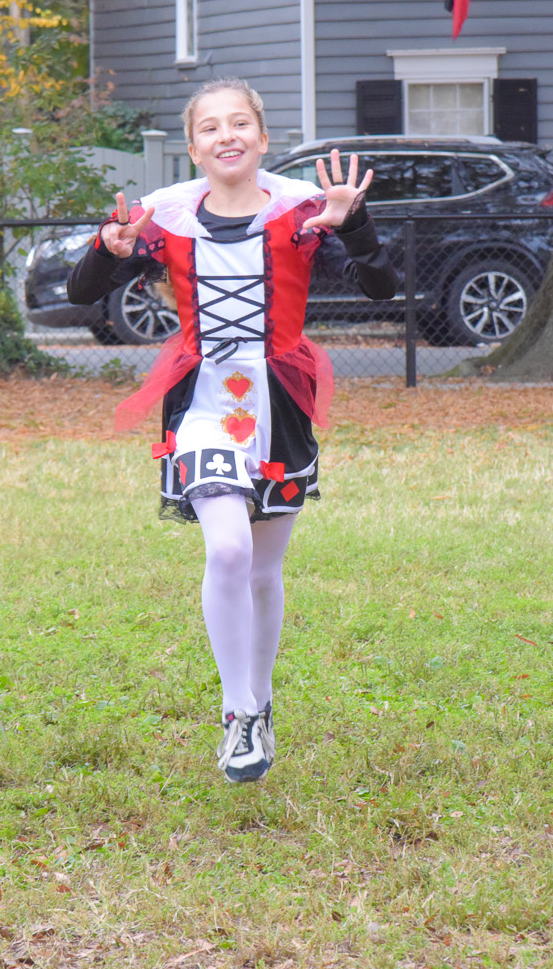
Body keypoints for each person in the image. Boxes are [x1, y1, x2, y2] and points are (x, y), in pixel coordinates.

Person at [66, 79, 399, 783]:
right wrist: (107, 243)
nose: (227, 135)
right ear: (193, 146)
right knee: (227, 549)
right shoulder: (165, 215)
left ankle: (263, 698)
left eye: (240, 122)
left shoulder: (302, 211)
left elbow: (380, 288)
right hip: (201, 404)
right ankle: (238, 710)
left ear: (263, 136)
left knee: (264, 569)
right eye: (211, 127)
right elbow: (81, 291)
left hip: (280, 401)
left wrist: (355, 221)